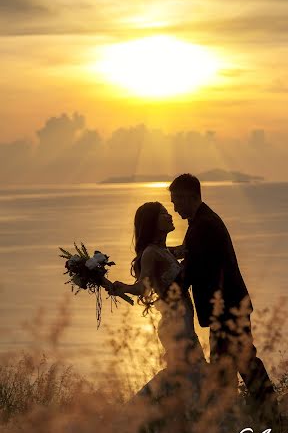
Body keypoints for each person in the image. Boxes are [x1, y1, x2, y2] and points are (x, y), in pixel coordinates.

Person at [168, 173, 275, 411]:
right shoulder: (204, 221)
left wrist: (168, 291)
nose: (174, 208)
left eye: (176, 201)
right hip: (229, 305)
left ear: (189, 196)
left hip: (227, 307)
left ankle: (265, 413)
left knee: (237, 362)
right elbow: (194, 253)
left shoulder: (203, 225)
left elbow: (193, 268)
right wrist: (170, 253)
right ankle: (244, 413)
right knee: (232, 363)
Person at [108, 201, 205, 407]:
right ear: (152, 222)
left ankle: (170, 415)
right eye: (163, 214)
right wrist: (123, 287)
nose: (169, 216)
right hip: (174, 323)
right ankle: (135, 410)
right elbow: (143, 288)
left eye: (168, 212)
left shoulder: (166, 251)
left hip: (184, 320)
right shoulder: (151, 253)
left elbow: (189, 249)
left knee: (190, 373)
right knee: (188, 372)